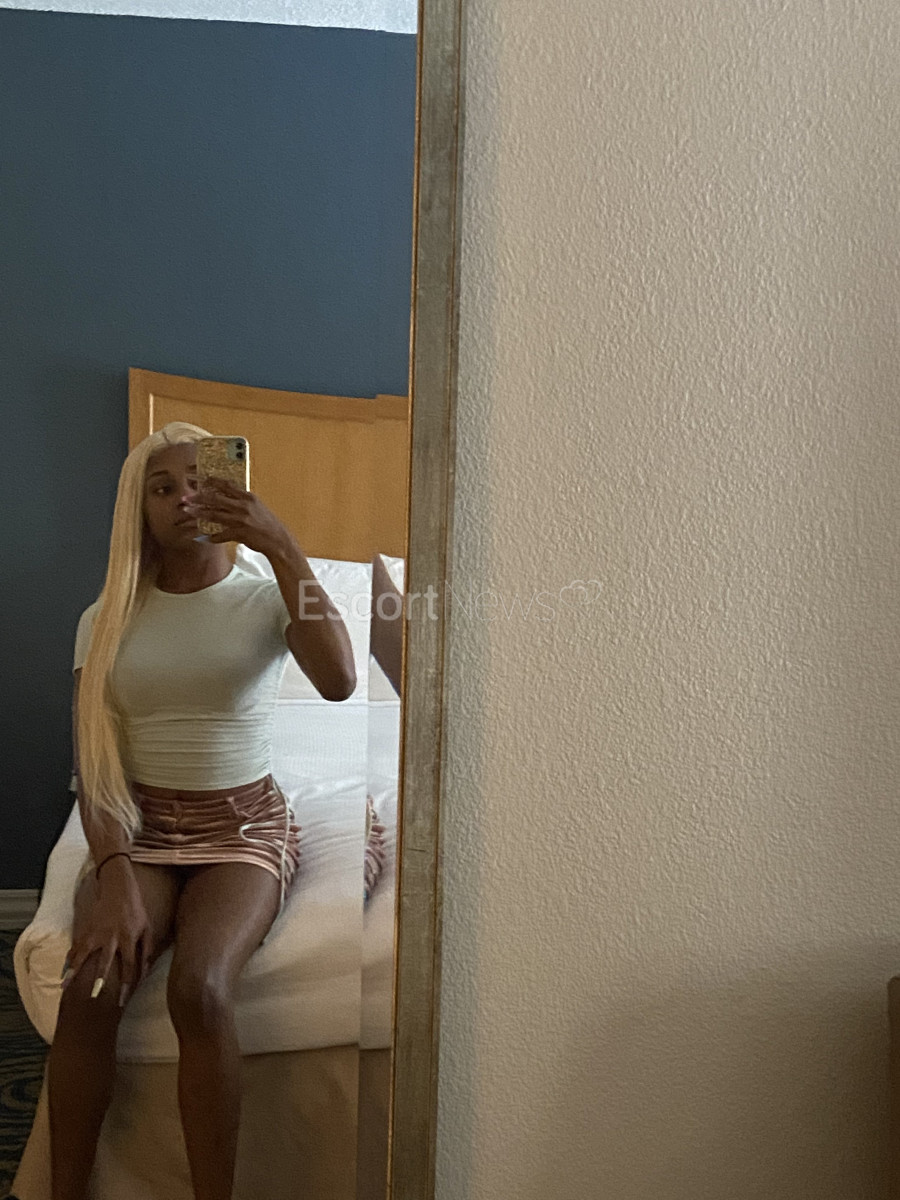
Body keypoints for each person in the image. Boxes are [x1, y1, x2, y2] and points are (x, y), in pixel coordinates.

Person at [47, 421, 356, 1200]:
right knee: (90, 989)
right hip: (139, 825)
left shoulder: (265, 597)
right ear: (140, 509)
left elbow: (341, 682)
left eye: (199, 480)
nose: (184, 498)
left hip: (241, 826)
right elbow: (95, 760)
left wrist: (281, 546)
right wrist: (113, 870)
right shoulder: (105, 616)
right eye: (163, 487)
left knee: (202, 988)